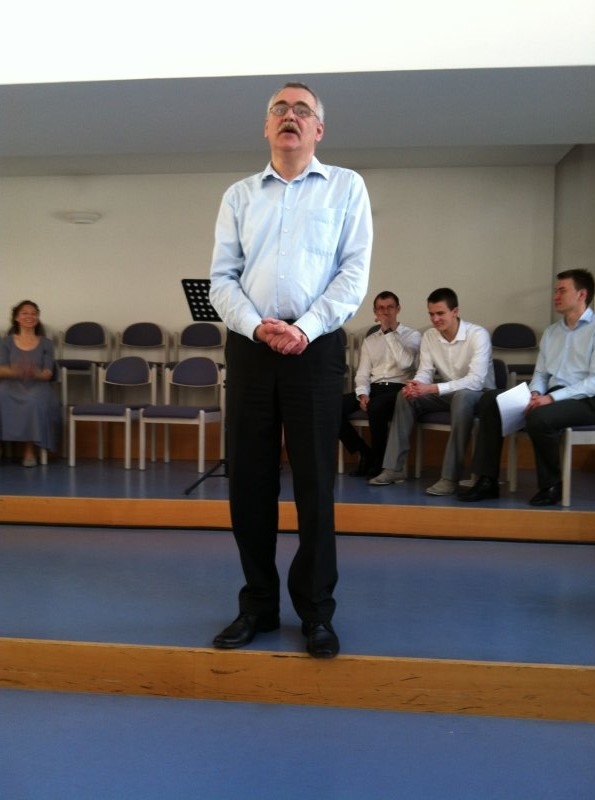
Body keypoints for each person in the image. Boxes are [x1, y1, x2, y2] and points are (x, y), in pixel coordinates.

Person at [209, 82, 372, 658]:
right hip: (251, 348)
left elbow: (353, 273)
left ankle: (316, 612)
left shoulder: (346, 187)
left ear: (318, 130)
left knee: (314, 486)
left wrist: (304, 328)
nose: (290, 116)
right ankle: (257, 604)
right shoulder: (239, 196)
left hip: (315, 348)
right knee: (248, 483)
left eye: (303, 110)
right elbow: (222, 279)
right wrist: (259, 327)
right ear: (266, 126)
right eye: (280, 108)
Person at [460, 269, 595, 506]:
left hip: (586, 399)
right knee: (491, 400)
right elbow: (541, 374)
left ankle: (551, 486)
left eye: (562, 290)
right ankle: (487, 481)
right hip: (552, 396)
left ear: (582, 294)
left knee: (541, 417)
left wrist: (550, 399)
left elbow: (594, 381)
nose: (555, 296)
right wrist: (535, 393)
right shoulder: (552, 332)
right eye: (555, 291)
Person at [369, 287, 495, 495]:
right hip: (447, 393)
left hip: (478, 394)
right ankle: (394, 468)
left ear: (455, 311)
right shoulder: (429, 336)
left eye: (440, 313)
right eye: (431, 314)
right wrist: (416, 385)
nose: (435, 319)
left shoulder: (477, 334)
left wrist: (432, 388)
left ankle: (450, 477)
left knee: (462, 397)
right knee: (405, 396)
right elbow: (425, 372)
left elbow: (475, 381)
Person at [339, 291, 420, 477]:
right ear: (375, 312)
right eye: (381, 309)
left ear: (398, 309)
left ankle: (380, 463)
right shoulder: (370, 341)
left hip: (399, 389)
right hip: (374, 388)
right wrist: (362, 394)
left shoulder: (412, 335)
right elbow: (362, 374)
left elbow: (406, 363)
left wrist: (389, 333)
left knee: (376, 407)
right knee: (332, 407)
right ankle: (364, 453)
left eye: (390, 307)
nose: (385, 312)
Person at [0, 300, 61, 465]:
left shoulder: (46, 343)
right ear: (17, 318)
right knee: (1, 395)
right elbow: (1, 370)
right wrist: (16, 371)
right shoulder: (5, 342)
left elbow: (47, 373)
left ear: (38, 317)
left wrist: (35, 373)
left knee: (33, 400)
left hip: (38, 385)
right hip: (10, 384)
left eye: (33, 313)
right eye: (25, 313)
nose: (29, 316)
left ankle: (29, 451)